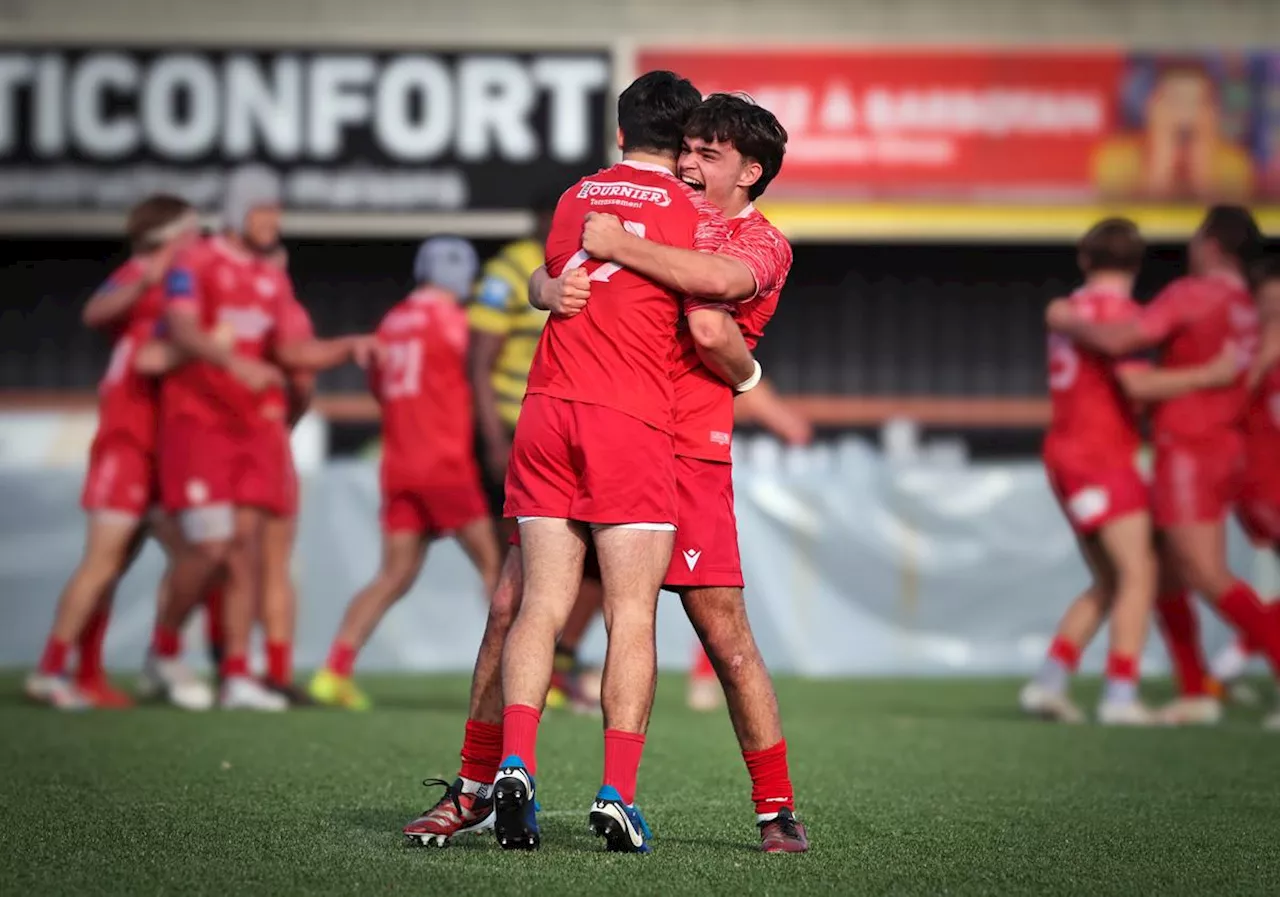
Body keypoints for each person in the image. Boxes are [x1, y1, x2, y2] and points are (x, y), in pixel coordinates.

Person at [493, 70, 763, 855]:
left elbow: (554, 280)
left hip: (545, 408)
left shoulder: (575, 198)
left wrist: (548, 288)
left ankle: (515, 763)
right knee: (631, 613)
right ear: (685, 145)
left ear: (618, 135)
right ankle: (616, 792)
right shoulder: (695, 212)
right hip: (630, 418)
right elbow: (709, 304)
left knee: (540, 602)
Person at [146, 165, 376, 711]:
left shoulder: (271, 278)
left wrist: (348, 346)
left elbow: (293, 351)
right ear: (236, 213)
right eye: (262, 210)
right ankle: (166, 648)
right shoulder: (194, 262)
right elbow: (178, 328)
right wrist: (233, 363)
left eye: (276, 210)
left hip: (254, 429)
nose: (273, 220)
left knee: (246, 550)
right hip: (200, 425)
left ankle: (237, 674)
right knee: (211, 547)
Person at [1047, 205, 1278, 728]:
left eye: (1196, 238)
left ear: (1212, 246)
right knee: (1164, 575)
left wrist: (1063, 317)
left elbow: (1120, 345)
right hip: (1231, 448)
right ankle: (1194, 688)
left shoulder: (1191, 295)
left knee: (1196, 575)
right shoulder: (1250, 306)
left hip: (1188, 450)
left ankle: (1124, 692)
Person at [26, 195, 202, 710]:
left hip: (157, 450)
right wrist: (150, 273)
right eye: (192, 231)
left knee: (193, 556)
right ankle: (52, 669)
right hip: (125, 445)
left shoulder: (176, 288)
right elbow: (96, 311)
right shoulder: (144, 271)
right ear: (171, 235)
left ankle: (107, 667)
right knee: (104, 563)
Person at [309, 237, 501, 709]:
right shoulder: (455, 324)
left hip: (398, 464)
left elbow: (382, 388)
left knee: (392, 575)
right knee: (498, 570)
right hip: (445, 463)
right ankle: (518, 680)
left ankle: (333, 671)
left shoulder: (391, 323)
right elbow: (481, 376)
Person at [466, 192, 603, 710]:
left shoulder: (595, 261)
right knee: (521, 575)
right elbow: (480, 361)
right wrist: (494, 439)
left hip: (579, 428)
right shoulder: (512, 266)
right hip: (519, 429)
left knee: (600, 563)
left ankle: (557, 662)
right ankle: (514, 688)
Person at [1206, 258, 1280, 712]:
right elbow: (1226, 406)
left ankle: (1225, 667)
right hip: (1260, 484)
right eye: (1270, 300)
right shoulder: (1248, 348)